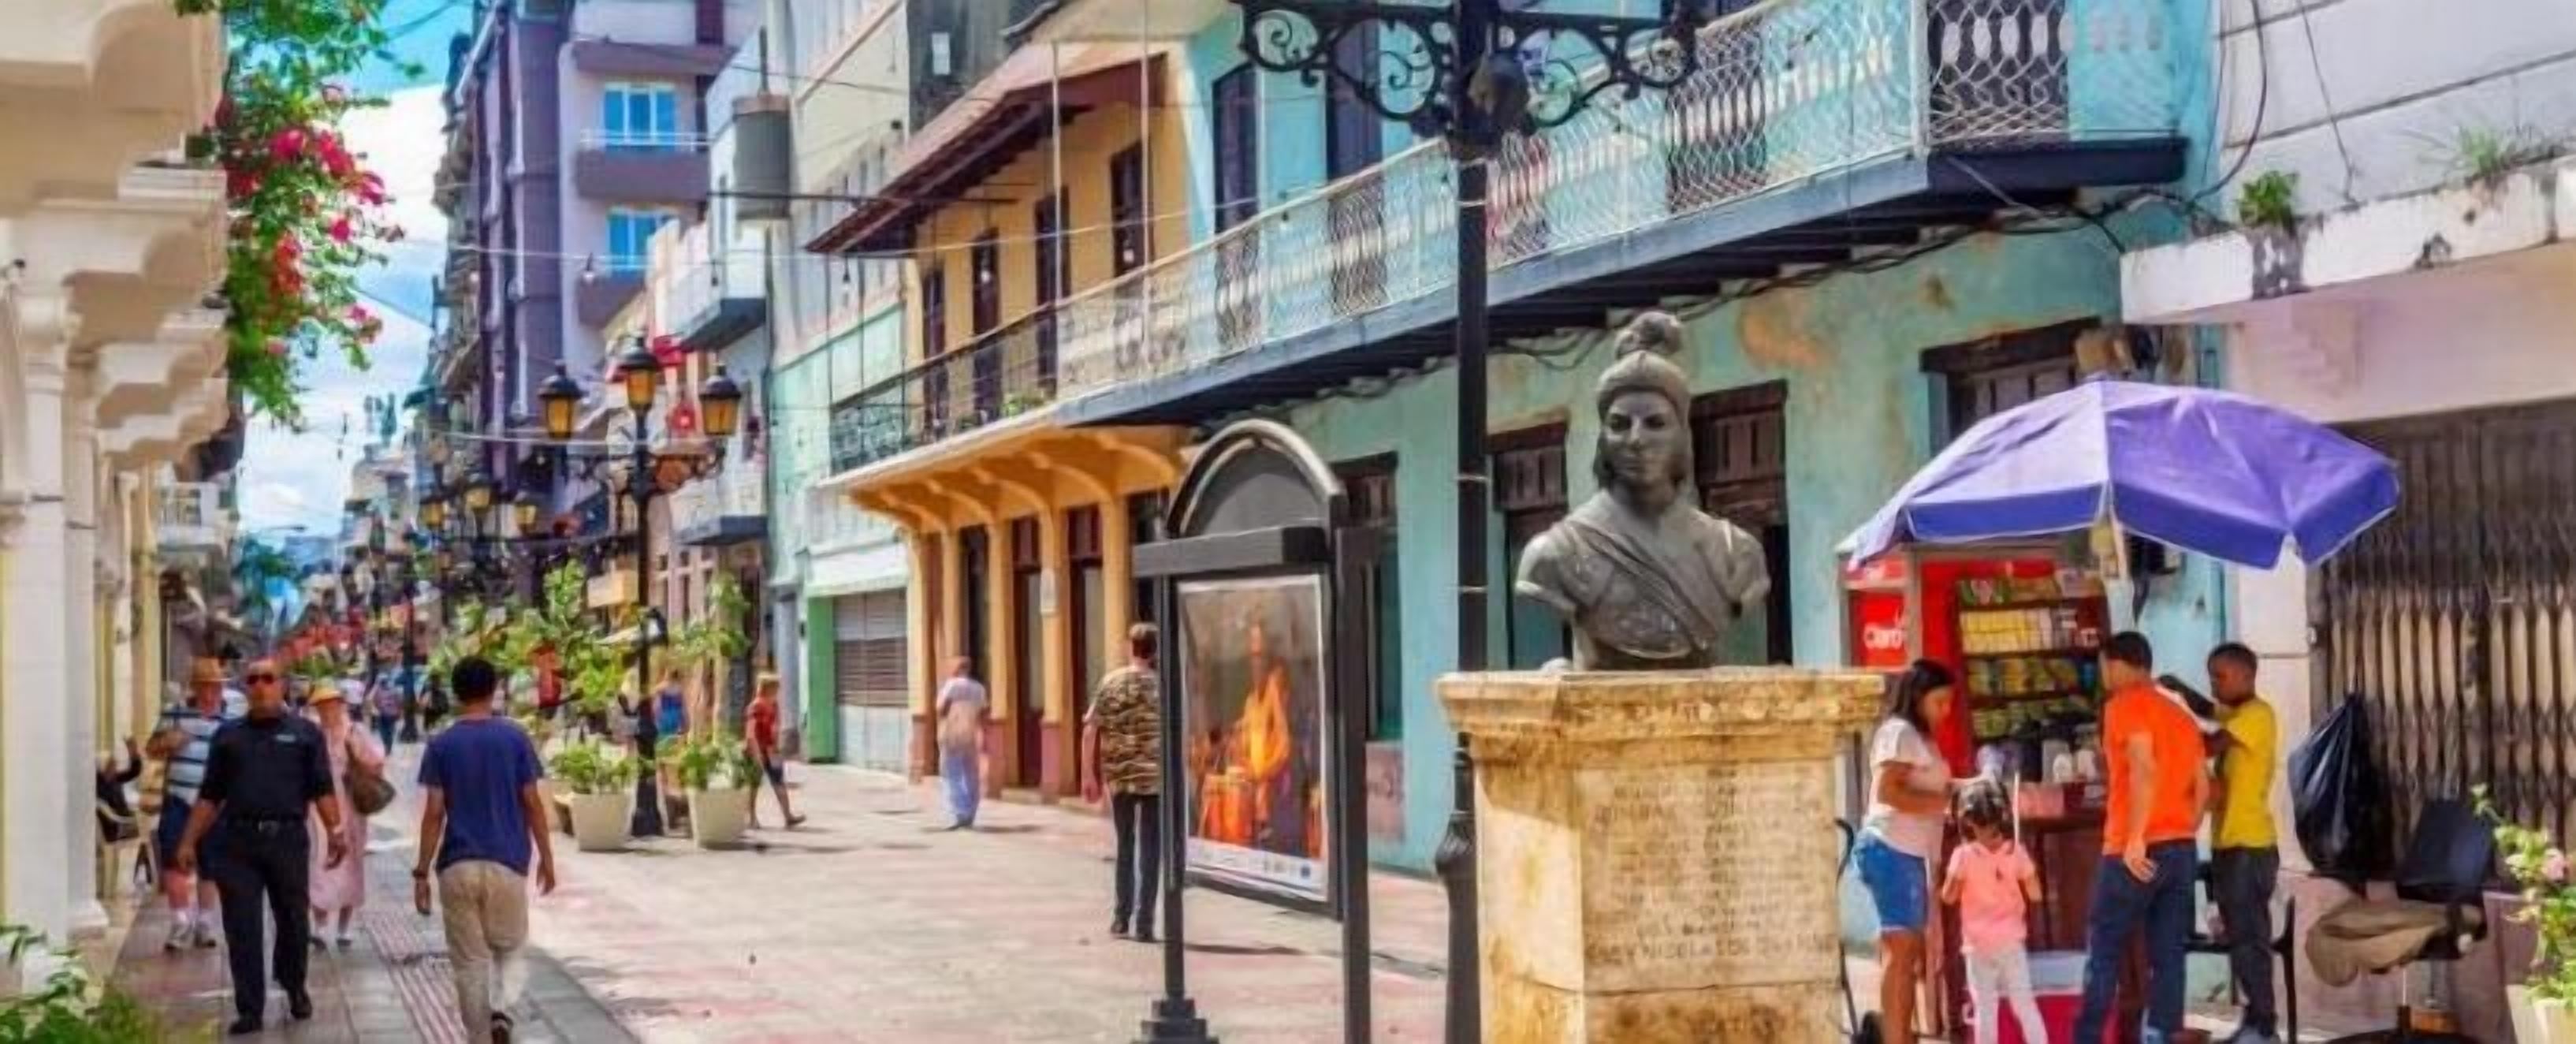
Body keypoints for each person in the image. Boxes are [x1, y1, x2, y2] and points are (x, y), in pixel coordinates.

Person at [172, 658, 348, 1035]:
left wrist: (336, 830)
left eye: (269, 679)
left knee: (292, 919)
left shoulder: (304, 734)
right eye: (253, 680)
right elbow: (209, 795)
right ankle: (249, 1007)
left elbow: (322, 788)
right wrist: (188, 841)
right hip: (237, 842)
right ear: (246, 687)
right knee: (242, 926)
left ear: (282, 685)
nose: (261, 686)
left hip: (287, 839)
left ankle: (294, 983)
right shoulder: (229, 737)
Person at [414, 655, 557, 1044]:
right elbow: (532, 803)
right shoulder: (514, 738)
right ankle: (501, 1013)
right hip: (507, 862)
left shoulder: (441, 745)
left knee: (469, 962)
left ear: (457, 694)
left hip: (457, 866)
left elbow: (433, 814)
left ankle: (479, 1036)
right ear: (494, 689)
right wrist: (547, 857)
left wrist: (421, 872)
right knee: (509, 948)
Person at [2074, 632, 2209, 1044]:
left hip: (2132, 850)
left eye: (2103, 666)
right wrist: (2185, 828)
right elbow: (2203, 788)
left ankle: (2089, 1038)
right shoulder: (2181, 716)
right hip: (2181, 845)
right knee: (2168, 953)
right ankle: (2161, 1034)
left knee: (2105, 949)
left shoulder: (2125, 706)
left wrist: (2136, 838)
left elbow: (2143, 767)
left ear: (2116, 664)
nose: (2104, 676)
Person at [1854, 658, 1961, 1044]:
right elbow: (1889, 791)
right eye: (1939, 703)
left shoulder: (1920, 739)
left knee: (1907, 953)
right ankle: (1897, 1037)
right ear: (1917, 698)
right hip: (1892, 847)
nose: (1945, 712)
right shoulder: (1899, 732)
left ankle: (1900, 1032)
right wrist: (1944, 804)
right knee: (1902, 953)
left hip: (1910, 853)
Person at [2208, 642, 2281, 1044]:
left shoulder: (2256, 716)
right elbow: (2205, 709)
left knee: (2250, 938)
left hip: (2249, 847)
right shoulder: (2233, 713)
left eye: (2221, 676)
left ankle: (2264, 1025)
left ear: (2246, 676)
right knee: (2238, 936)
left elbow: (2208, 743)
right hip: (2228, 844)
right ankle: (2254, 1017)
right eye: (2211, 676)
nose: (2214, 684)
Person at [1943, 781, 2048, 1044]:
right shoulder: (2017, 852)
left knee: (1985, 1011)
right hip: (2011, 942)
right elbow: (2036, 894)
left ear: (1968, 822)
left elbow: (1949, 896)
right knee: (2025, 1006)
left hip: (1977, 947)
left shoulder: (1962, 856)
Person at [147, 658, 236, 951]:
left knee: (210, 864)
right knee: (174, 860)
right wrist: (169, 742)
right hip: (178, 800)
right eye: (206, 687)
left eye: (216, 687)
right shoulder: (175, 714)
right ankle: (180, 922)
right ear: (195, 688)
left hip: (214, 805)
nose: (212, 693)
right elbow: (152, 749)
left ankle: (205, 923)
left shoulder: (232, 720)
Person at [1082, 624, 1164, 942]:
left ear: (1131, 647)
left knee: (1125, 845)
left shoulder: (1110, 682)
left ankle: (1121, 917)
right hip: (1154, 778)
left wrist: (1088, 775)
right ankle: (1145, 923)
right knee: (1151, 848)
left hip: (1119, 776)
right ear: (1155, 651)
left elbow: (1090, 730)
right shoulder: (1161, 687)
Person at [306, 683, 386, 949]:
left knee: (351, 865)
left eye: (331, 704)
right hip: (317, 808)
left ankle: (344, 926)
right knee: (319, 863)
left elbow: (376, 763)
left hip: (351, 808)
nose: (327, 709)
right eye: (321, 705)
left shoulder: (355, 732)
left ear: (341, 705)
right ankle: (319, 926)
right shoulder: (313, 734)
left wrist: (356, 758)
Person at [744, 673, 805, 830]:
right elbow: (751, 733)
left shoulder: (774, 706)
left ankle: (788, 816)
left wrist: (776, 748)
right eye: (776, 688)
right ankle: (752, 818)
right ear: (768, 688)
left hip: (771, 749)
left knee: (779, 782)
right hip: (757, 749)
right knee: (754, 785)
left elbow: (775, 728)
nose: (778, 691)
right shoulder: (755, 707)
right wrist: (757, 753)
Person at [935, 657, 988, 830]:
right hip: (971, 734)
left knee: (953, 774)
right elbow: (983, 712)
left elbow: (941, 709)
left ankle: (961, 812)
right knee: (971, 774)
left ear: (956, 669)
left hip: (952, 734)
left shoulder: (952, 685)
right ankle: (971, 813)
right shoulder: (979, 688)